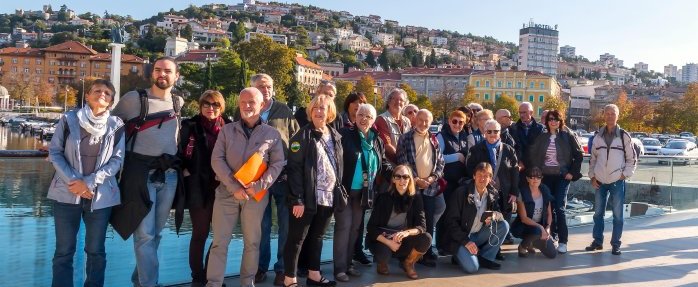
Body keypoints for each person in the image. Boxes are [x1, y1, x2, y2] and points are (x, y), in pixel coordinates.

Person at [110, 57, 184, 287]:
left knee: (157, 234)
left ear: (176, 76)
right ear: (152, 73)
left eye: (168, 71)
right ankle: (149, 284)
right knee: (145, 235)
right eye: (158, 70)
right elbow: (107, 127)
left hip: (169, 175)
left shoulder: (178, 101)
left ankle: (139, 280)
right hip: (139, 174)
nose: (162, 74)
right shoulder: (133, 99)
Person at [48, 79, 125, 287]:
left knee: (96, 251)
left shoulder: (116, 125)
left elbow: (117, 161)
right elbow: (55, 152)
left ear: (110, 101)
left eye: (107, 93)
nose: (102, 94)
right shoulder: (68, 119)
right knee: (64, 251)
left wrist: (89, 183)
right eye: (97, 90)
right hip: (66, 193)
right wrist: (75, 182)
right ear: (87, 96)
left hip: (99, 197)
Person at [206, 87, 285, 287]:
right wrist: (234, 187)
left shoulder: (273, 134)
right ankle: (213, 283)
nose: (247, 106)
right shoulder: (227, 130)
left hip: (255, 196)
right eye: (243, 102)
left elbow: (277, 164)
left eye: (251, 102)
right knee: (219, 243)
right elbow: (217, 160)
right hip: (226, 193)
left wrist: (258, 186)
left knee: (252, 243)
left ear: (262, 105)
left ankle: (247, 283)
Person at [284, 94, 343, 287]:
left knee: (317, 237)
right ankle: (289, 278)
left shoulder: (334, 135)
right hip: (306, 198)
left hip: (328, 197)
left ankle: (314, 274)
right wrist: (297, 199)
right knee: (297, 239)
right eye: (315, 108)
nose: (319, 111)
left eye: (323, 108)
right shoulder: (301, 136)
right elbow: (293, 170)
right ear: (310, 111)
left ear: (329, 113)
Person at [248, 74, 300, 286]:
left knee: (286, 226)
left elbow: (295, 141)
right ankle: (260, 267)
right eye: (261, 86)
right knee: (262, 225)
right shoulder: (247, 108)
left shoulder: (284, 110)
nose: (266, 89)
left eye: (268, 86)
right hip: (256, 178)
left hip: (282, 177)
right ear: (253, 89)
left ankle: (282, 269)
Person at [178, 90, 231, 286]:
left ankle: (212, 274)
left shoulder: (229, 127)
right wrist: (186, 172)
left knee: (220, 236)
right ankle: (197, 277)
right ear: (200, 106)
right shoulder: (189, 126)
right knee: (200, 233)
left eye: (215, 105)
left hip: (222, 188)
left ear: (221, 107)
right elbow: (178, 152)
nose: (211, 108)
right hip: (197, 187)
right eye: (206, 104)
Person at [334, 103, 392, 282]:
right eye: (360, 114)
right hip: (345, 190)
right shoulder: (345, 135)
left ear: (373, 120)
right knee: (343, 228)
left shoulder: (377, 140)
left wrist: (400, 174)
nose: (363, 118)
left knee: (355, 229)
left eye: (368, 116)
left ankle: (349, 263)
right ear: (355, 116)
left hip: (364, 193)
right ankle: (339, 269)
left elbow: (383, 163)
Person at [528, 110, 583, 254]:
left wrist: (572, 172)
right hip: (545, 176)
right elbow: (533, 155)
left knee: (559, 207)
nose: (553, 122)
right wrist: (537, 170)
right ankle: (552, 236)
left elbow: (578, 154)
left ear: (560, 121)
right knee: (548, 208)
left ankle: (563, 241)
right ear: (547, 121)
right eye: (551, 119)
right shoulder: (543, 137)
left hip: (562, 176)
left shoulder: (567, 136)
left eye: (556, 119)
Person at [586, 104, 637, 255]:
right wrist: (592, 176)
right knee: (597, 214)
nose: (609, 116)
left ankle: (616, 244)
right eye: (607, 113)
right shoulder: (598, 137)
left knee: (618, 215)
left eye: (612, 113)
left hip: (617, 181)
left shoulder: (623, 136)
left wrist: (625, 174)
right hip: (600, 181)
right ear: (604, 115)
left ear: (617, 116)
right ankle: (597, 241)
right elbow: (593, 159)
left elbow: (632, 158)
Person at [396, 109, 445, 267]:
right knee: (411, 221)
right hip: (412, 187)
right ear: (415, 119)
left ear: (431, 123)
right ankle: (407, 255)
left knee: (428, 222)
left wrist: (431, 178)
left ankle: (426, 254)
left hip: (430, 187)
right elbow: (402, 160)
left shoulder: (434, 139)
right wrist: (416, 179)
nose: (423, 123)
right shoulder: (405, 138)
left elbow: (440, 162)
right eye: (421, 120)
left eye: (427, 121)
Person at [366, 165, 432, 280]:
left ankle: (408, 263)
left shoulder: (416, 198)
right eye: (398, 177)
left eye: (406, 177)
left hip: (402, 238)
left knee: (426, 238)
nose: (402, 180)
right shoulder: (384, 198)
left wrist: (407, 233)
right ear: (393, 179)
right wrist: (389, 242)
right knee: (383, 255)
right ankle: (382, 264)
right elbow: (371, 227)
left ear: (410, 179)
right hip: (384, 238)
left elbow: (422, 226)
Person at [465, 119, 519, 257]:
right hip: (485, 192)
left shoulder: (508, 149)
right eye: (489, 131)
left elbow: (514, 172)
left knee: (502, 221)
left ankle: (497, 249)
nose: (493, 134)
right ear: (484, 133)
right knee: (486, 220)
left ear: (500, 133)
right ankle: (483, 248)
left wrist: (514, 192)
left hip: (505, 192)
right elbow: (470, 170)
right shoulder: (475, 150)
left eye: (496, 131)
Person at [445, 162, 509, 273]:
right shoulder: (461, 193)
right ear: (474, 176)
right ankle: (459, 255)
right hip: (461, 239)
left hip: (478, 235)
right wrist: (466, 241)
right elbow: (450, 222)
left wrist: (493, 215)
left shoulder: (492, 194)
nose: (482, 179)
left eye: (486, 176)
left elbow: (501, 216)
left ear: (490, 179)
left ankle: (485, 258)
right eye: (479, 175)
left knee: (504, 225)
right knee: (472, 268)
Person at [435, 110, 471, 254]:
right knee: (444, 214)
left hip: (460, 183)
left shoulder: (464, 136)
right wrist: (456, 156)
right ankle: (441, 245)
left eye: (461, 122)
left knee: (455, 215)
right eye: (454, 121)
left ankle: (451, 244)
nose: (457, 124)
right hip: (446, 182)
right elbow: (437, 157)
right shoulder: (441, 136)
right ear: (449, 121)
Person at [510, 167, 557, 259]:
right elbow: (523, 218)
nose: (535, 179)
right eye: (532, 177)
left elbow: (549, 213)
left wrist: (547, 227)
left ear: (541, 178)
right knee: (537, 231)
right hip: (524, 227)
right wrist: (541, 228)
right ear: (527, 179)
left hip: (540, 228)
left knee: (552, 254)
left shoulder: (545, 190)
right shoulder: (522, 192)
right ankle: (522, 247)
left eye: (538, 177)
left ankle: (531, 243)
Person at [375, 88, 411, 165]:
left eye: (401, 100)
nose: (398, 102)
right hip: (390, 168)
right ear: (388, 102)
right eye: (395, 99)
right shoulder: (382, 119)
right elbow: (387, 146)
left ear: (405, 104)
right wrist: (403, 164)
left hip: (407, 168)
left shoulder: (407, 121)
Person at [509, 102, 545, 172]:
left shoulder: (541, 129)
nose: (522, 115)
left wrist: (526, 163)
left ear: (531, 112)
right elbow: (512, 148)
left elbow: (540, 149)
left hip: (535, 168)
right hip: (518, 167)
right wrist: (518, 161)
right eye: (520, 112)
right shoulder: (513, 128)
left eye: (524, 112)